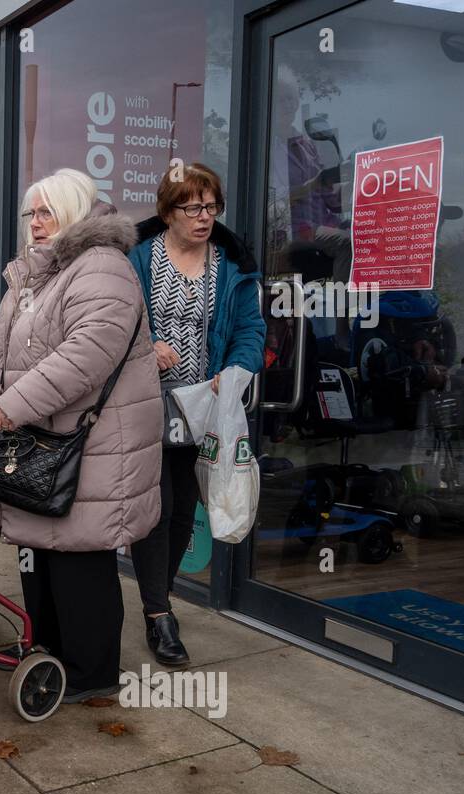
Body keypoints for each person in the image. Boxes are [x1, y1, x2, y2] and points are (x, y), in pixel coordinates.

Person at [0, 168, 162, 703]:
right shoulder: (34, 275)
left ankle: (91, 671)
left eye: (46, 211)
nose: (35, 222)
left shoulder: (101, 266)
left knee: (78, 557)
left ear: (74, 211)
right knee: (41, 553)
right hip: (45, 440)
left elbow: (87, 354)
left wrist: (10, 405)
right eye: (31, 212)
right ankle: (47, 650)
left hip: (91, 444)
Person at [126, 161, 265, 665]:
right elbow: (111, 318)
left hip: (202, 404)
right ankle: (160, 614)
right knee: (156, 508)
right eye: (191, 208)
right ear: (168, 212)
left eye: (210, 207)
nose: (203, 217)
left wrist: (234, 371)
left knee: (186, 507)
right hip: (142, 401)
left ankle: (157, 604)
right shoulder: (137, 257)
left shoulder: (231, 266)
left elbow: (251, 330)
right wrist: (146, 345)